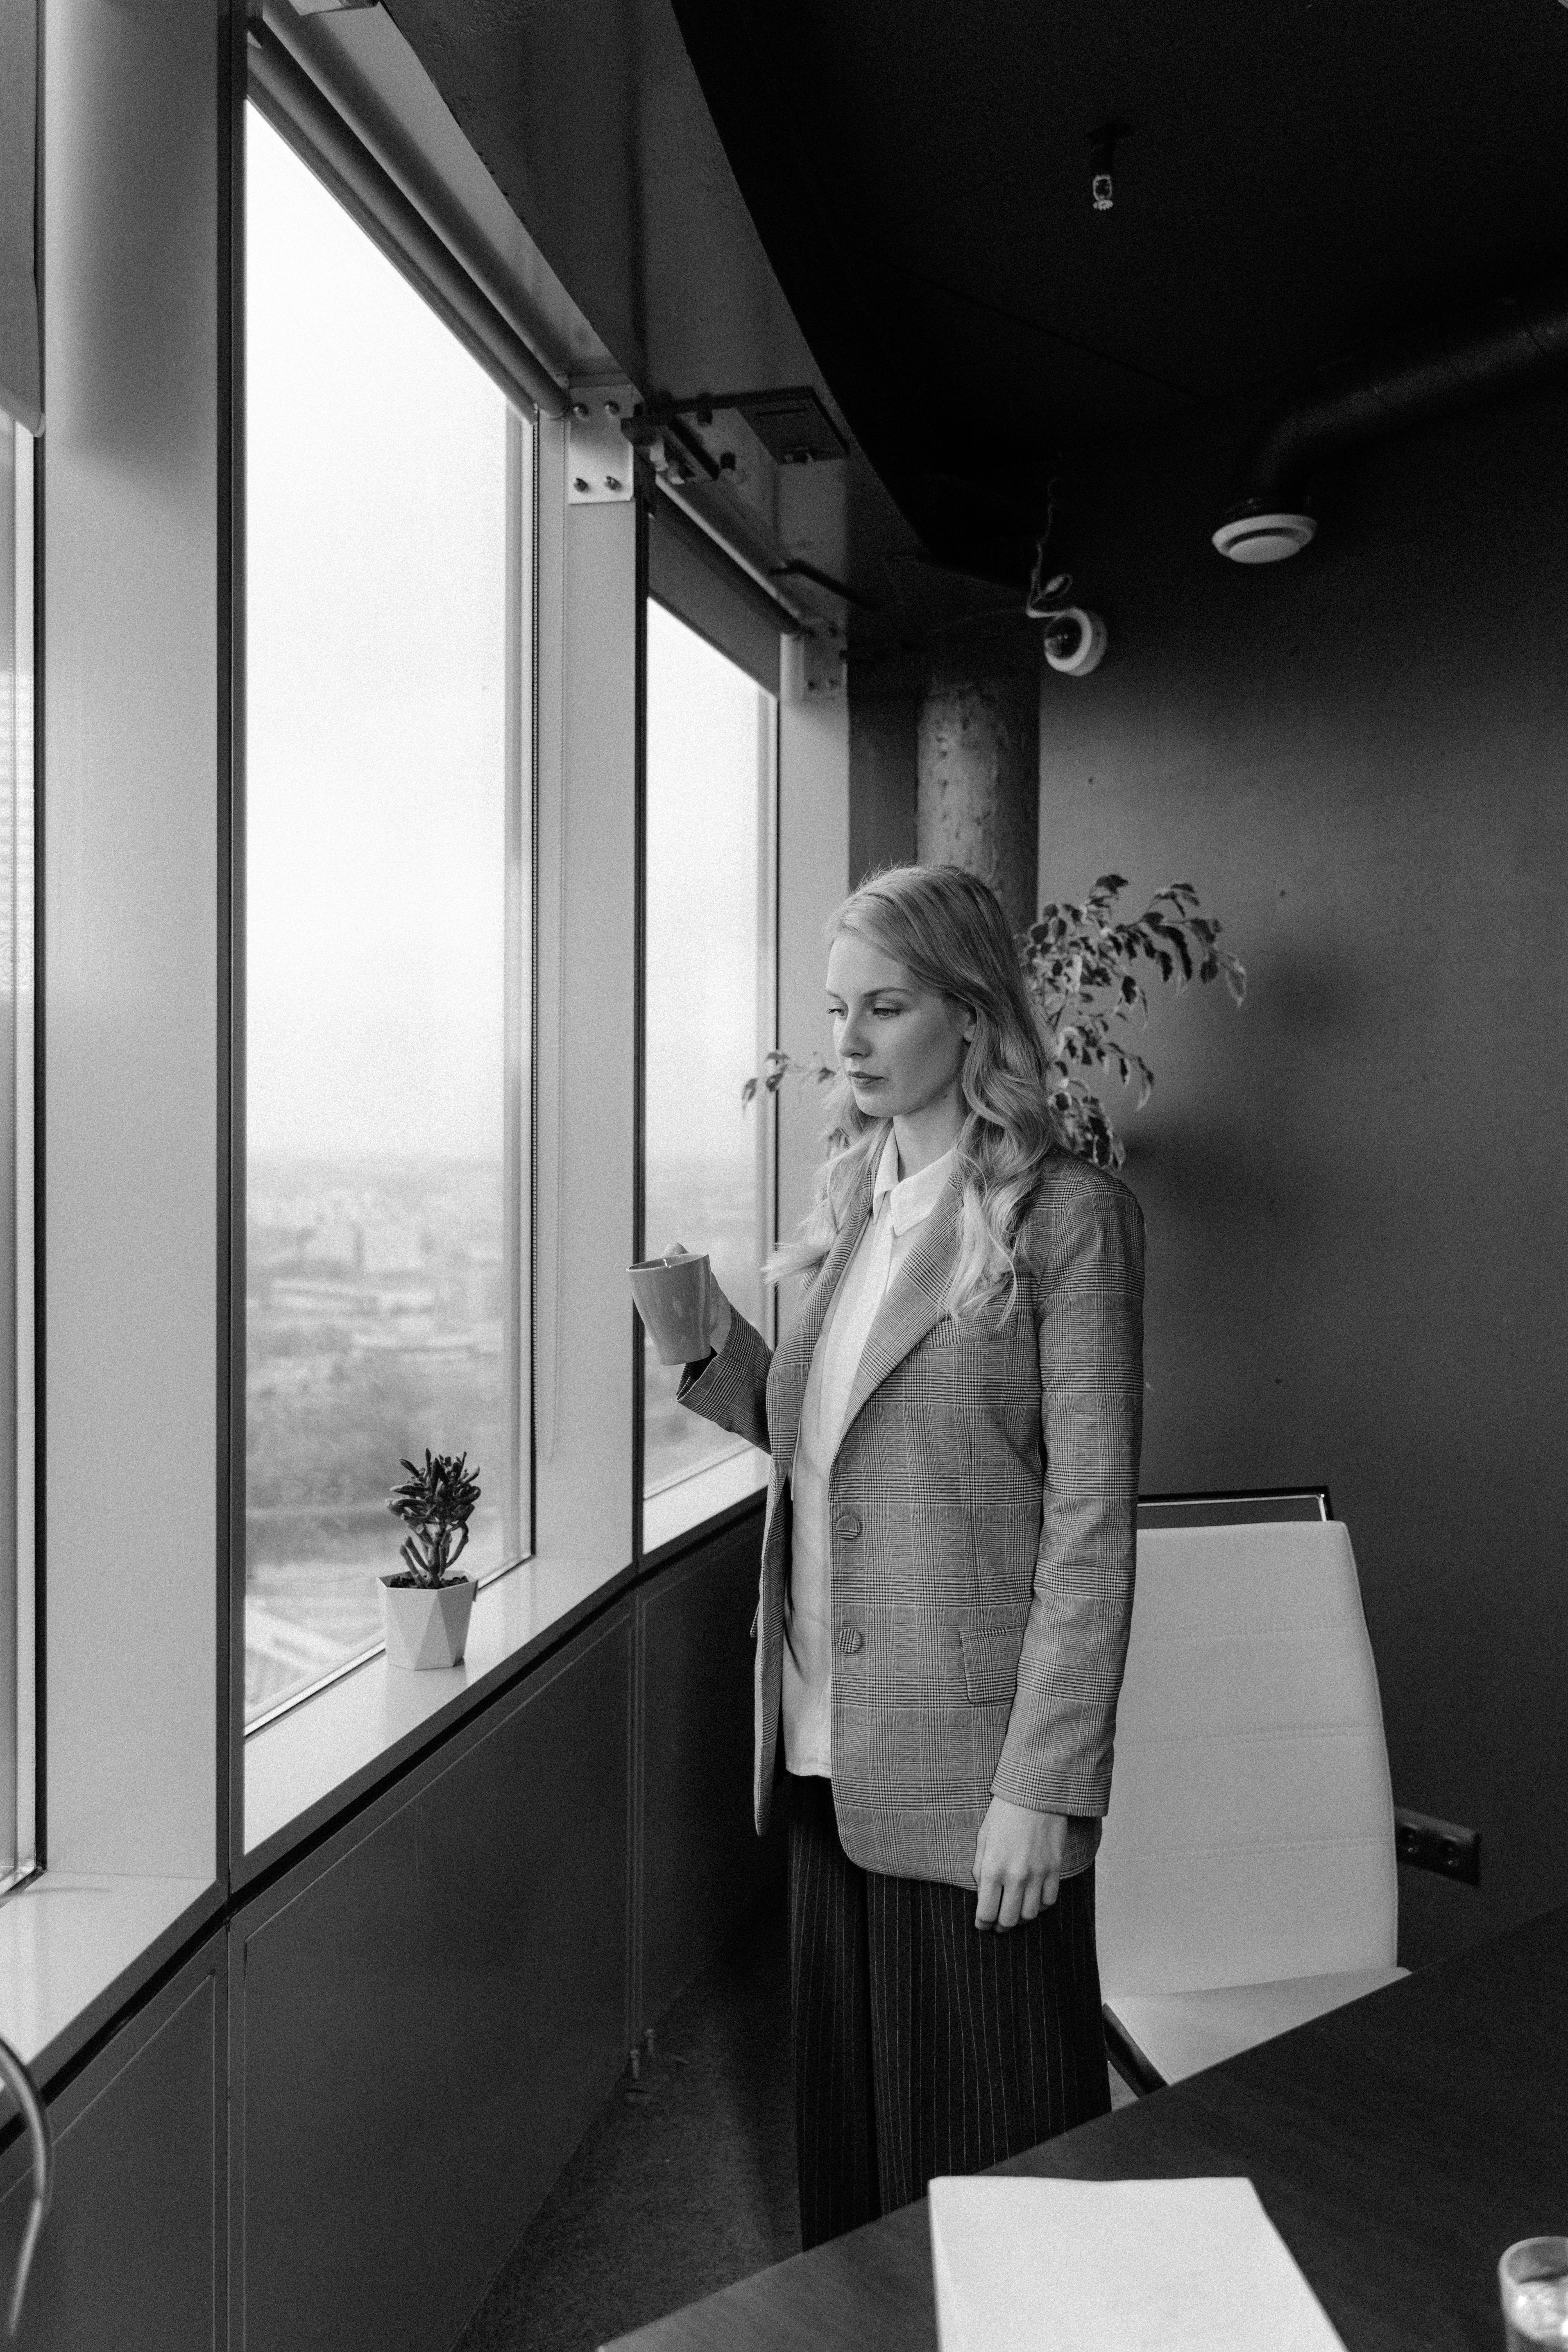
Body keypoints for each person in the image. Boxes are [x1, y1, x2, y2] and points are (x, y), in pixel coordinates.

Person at [674, 862, 1144, 2249]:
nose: (851, 1042)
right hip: (832, 1744)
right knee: (856, 2168)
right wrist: (707, 1349)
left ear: (970, 1010)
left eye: (884, 1007)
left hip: (976, 1773)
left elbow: (1090, 1523)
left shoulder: (1068, 1220)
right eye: (837, 1012)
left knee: (998, 2172)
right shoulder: (850, 1209)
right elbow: (845, 1447)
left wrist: (1042, 1785)